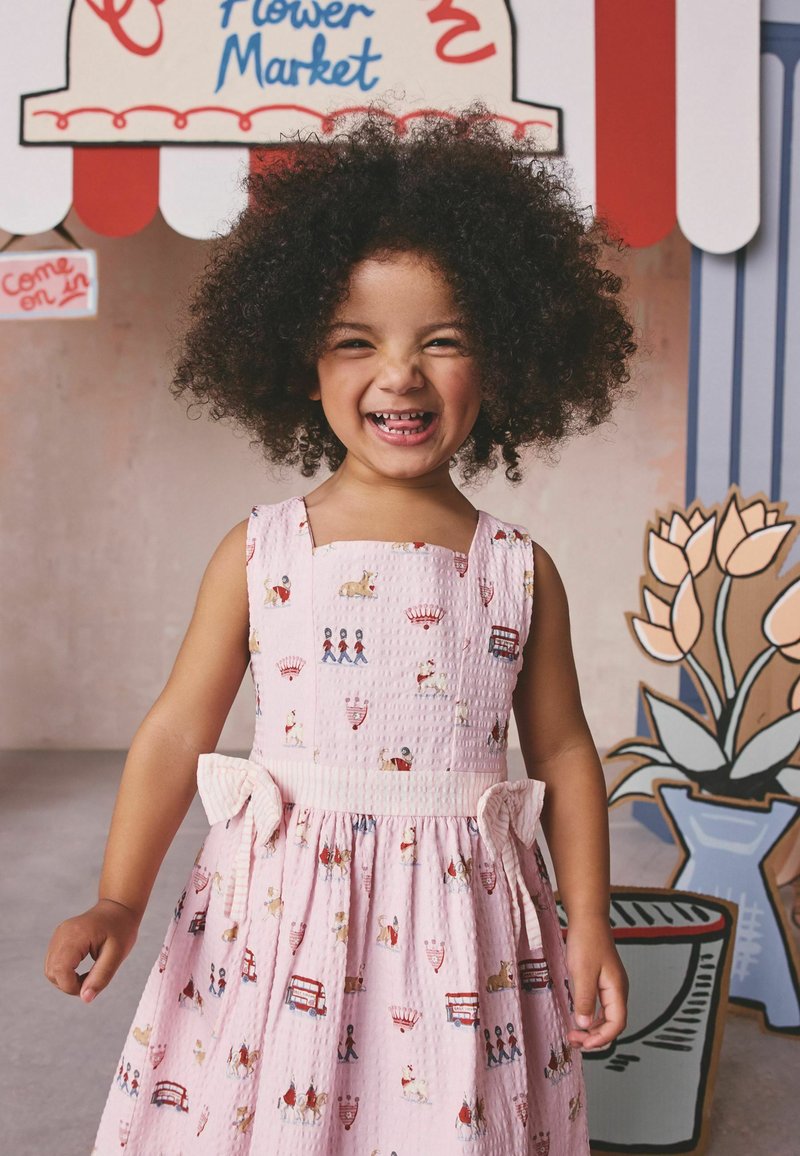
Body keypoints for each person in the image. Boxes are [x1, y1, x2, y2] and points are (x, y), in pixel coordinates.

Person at [44, 105, 634, 1154]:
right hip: (280, 918)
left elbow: (562, 750)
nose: (398, 374)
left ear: (501, 360)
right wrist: (118, 897)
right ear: (296, 362)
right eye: (354, 341)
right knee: (271, 1111)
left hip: (465, 931)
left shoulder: (514, 567)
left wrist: (586, 916)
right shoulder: (261, 550)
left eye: (440, 342)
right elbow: (181, 728)